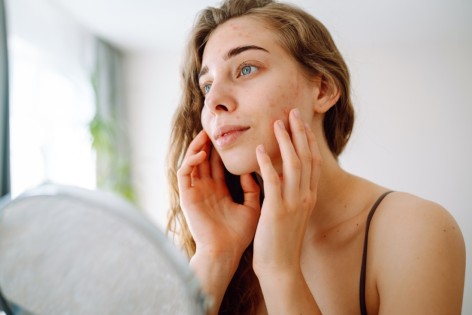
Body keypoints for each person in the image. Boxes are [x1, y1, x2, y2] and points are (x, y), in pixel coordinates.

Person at [166, 0, 466, 314]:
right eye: (207, 85)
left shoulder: (415, 231)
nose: (214, 101)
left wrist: (278, 270)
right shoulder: (220, 242)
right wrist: (215, 255)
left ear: (322, 90)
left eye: (246, 68)